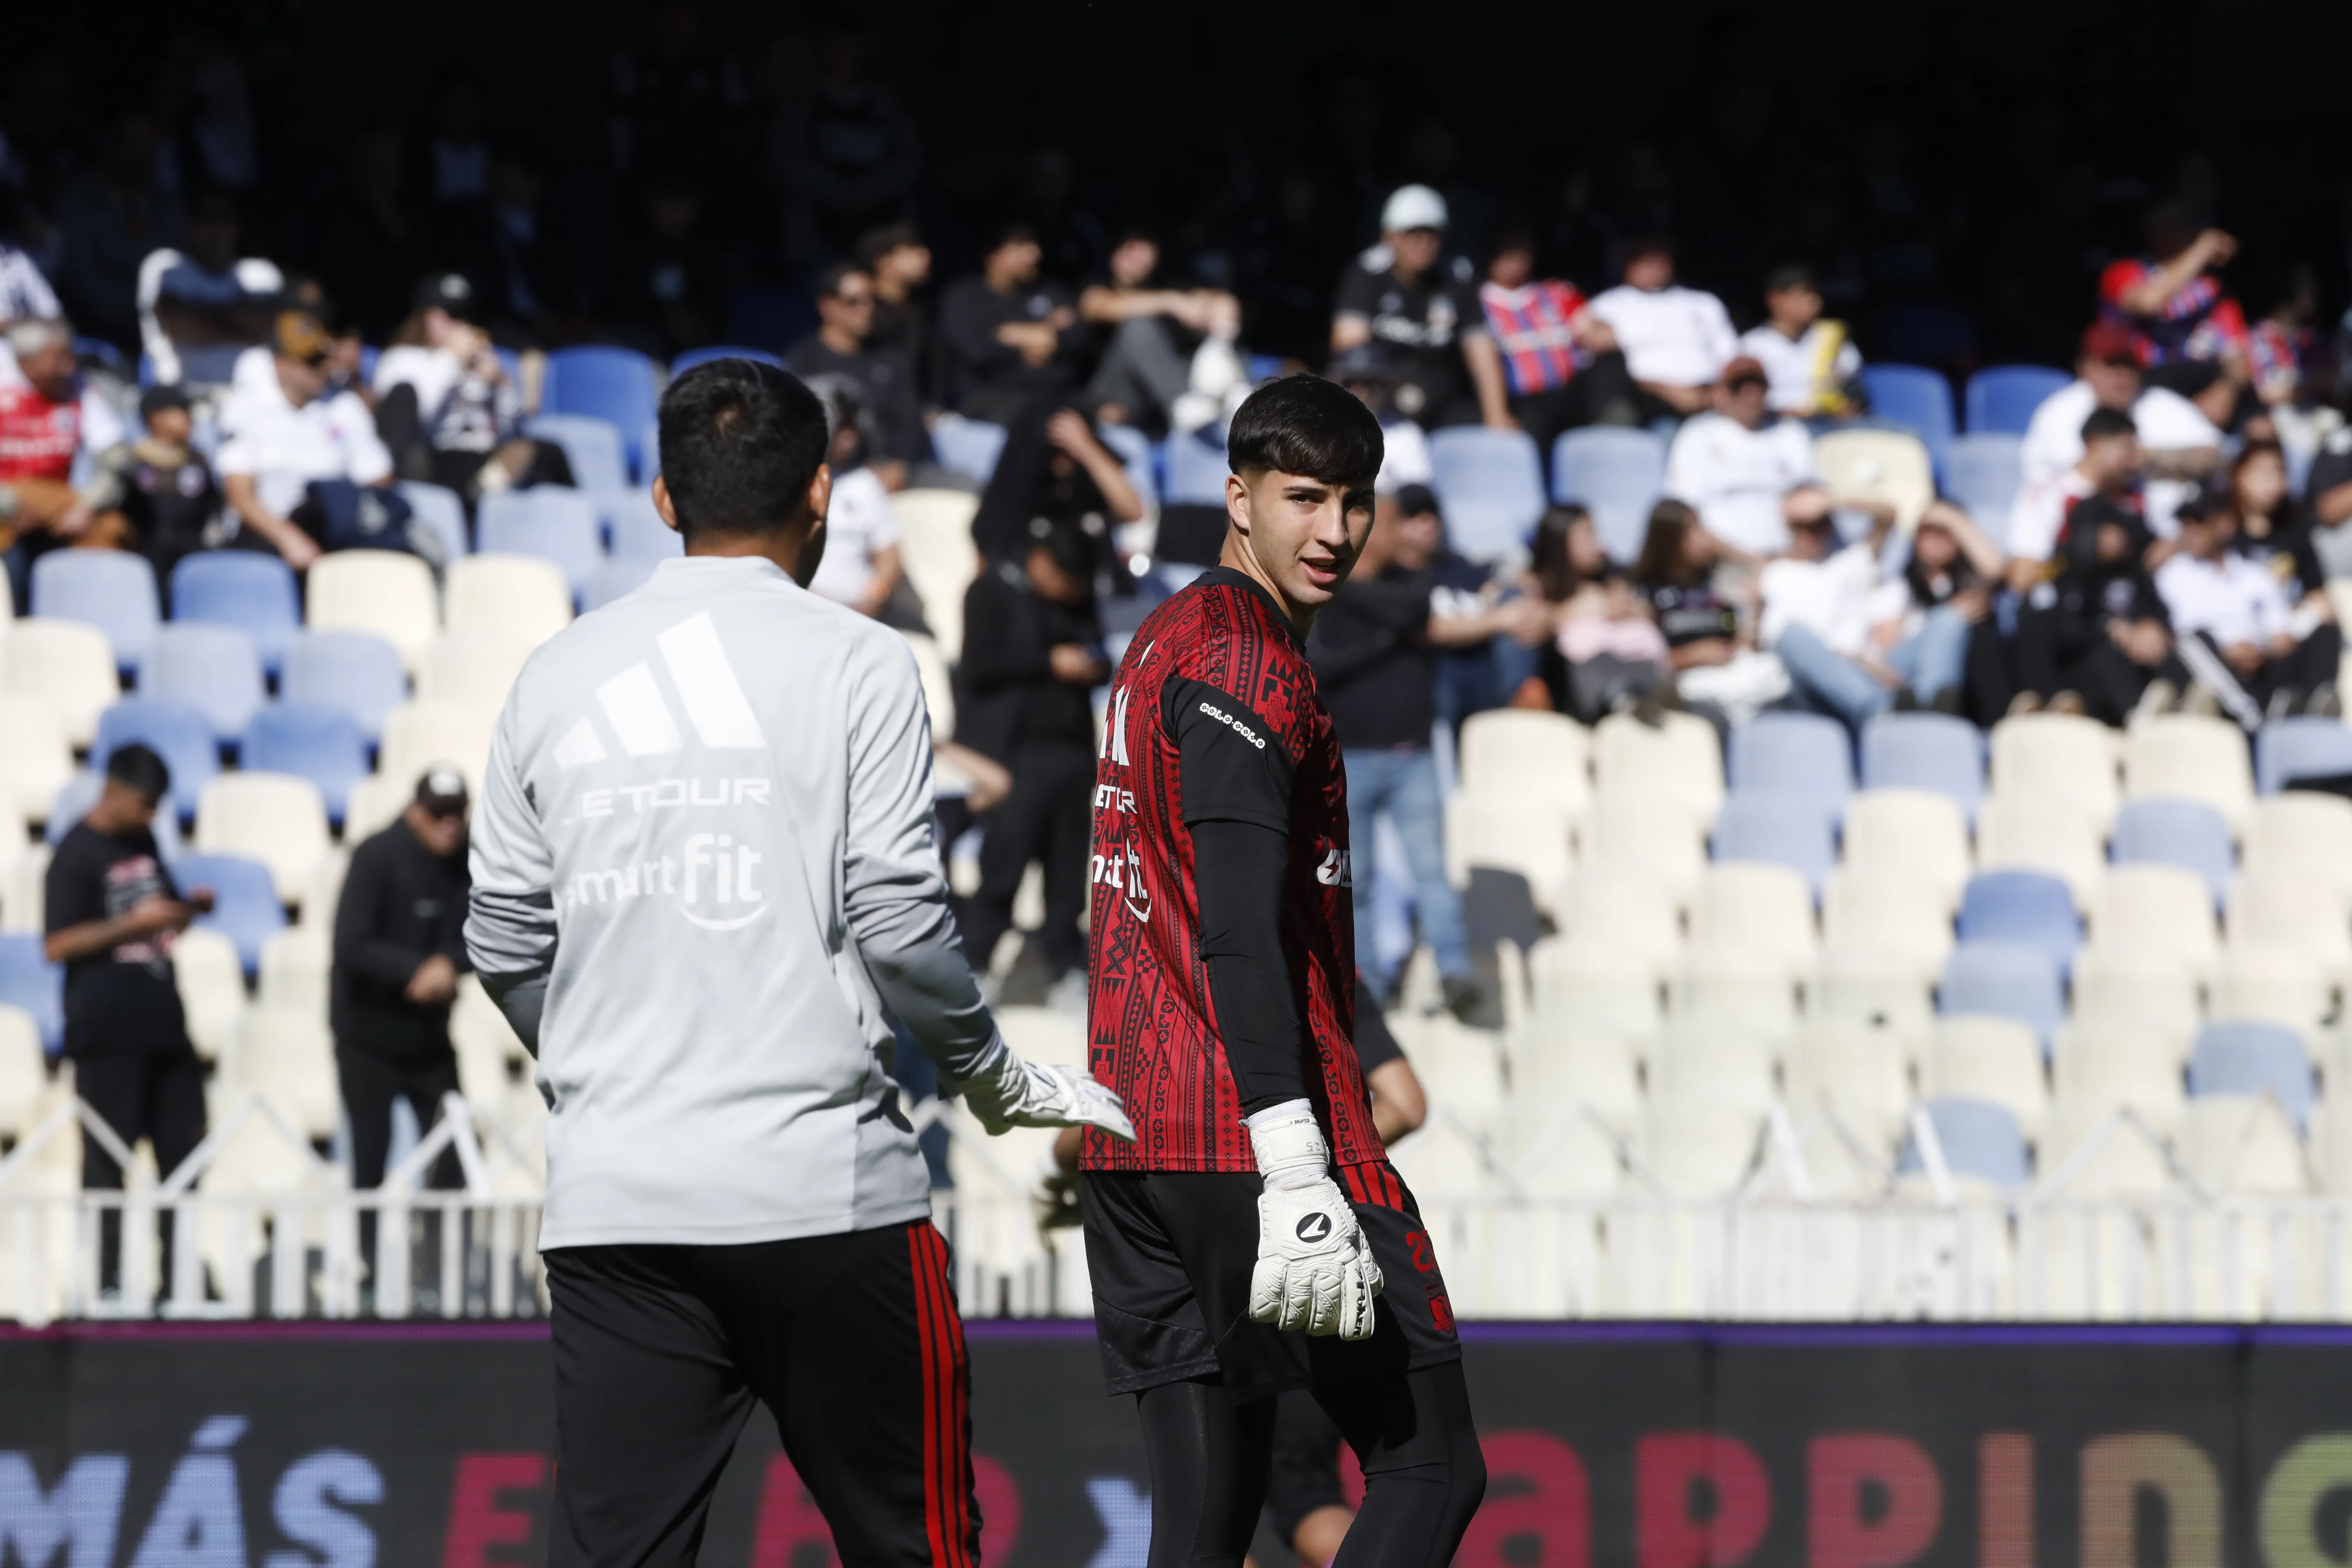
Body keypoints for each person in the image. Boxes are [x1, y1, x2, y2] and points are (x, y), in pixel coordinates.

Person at [462, 357, 1132, 1568]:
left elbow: (504, 939)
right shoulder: (861, 662)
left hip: (620, 1201)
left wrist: (596, 1065)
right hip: (826, 1198)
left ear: (664, 499)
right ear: (822, 491)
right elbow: (896, 917)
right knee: (919, 1548)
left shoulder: (554, 675)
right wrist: (984, 1071)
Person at [1080, 374, 1485, 1568]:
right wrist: (1295, 1153)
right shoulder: (1252, 665)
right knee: (1433, 1459)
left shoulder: (1161, 637)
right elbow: (1243, 932)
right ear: (1236, 495)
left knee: (1205, 1523)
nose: (1334, 532)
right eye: (1302, 497)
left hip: (1136, 1143)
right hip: (1252, 1142)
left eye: (1353, 502)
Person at [1310, 485, 1539, 1015]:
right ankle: (1365, 981)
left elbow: (1414, 610)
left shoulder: (1410, 583)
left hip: (1412, 755)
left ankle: (1454, 973)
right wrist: (1393, 634)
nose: (1404, 535)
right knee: (1355, 880)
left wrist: (1386, 622)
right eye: (1392, 524)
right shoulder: (1325, 588)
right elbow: (1324, 662)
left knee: (1433, 872)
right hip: (1349, 760)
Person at [44, 744, 214, 1299]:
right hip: (105, 1035)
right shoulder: (74, 853)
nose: (152, 817)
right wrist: (130, 927)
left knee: (184, 1159)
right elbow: (58, 943)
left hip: (165, 1027)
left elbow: (158, 925)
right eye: (145, 805)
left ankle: (179, 1281)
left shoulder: (144, 841)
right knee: (107, 1166)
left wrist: (183, 912)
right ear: (113, 790)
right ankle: (108, 1286)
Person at [332, 767, 474, 1277]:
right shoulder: (375, 856)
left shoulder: (471, 860)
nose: (449, 826)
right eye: (438, 814)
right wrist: (416, 971)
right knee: (369, 1157)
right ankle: (368, 1268)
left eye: (457, 813)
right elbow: (350, 945)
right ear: (415, 811)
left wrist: (449, 965)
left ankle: (442, 1272)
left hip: (430, 1039)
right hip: (367, 1037)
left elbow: (491, 930)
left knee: (452, 1155)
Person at [955, 517, 1106, 988]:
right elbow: (978, 666)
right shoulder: (989, 592)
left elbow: (1101, 653)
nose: (1072, 590)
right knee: (1004, 866)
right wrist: (1047, 662)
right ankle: (976, 970)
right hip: (1014, 757)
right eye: (1066, 579)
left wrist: (1091, 666)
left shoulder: (1078, 601)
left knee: (1068, 874)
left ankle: (1066, 972)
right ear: (1042, 563)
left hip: (1073, 752)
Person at [1760, 487, 1968, 728]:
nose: (1812, 534)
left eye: (1820, 523)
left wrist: (1832, 501)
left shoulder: (1851, 560)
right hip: (1819, 685)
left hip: (1874, 671)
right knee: (1793, 634)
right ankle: (1886, 717)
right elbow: (1785, 648)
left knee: (1948, 620)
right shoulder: (1770, 573)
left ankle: (1935, 715)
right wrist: (1859, 663)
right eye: (1802, 526)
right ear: (1788, 525)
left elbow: (1888, 515)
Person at [214, 308, 397, 570]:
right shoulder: (246, 409)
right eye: (311, 361)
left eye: (325, 357)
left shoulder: (346, 406)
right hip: (269, 538)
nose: (323, 368)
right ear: (281, 365)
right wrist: (288, 538)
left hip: (338, 534)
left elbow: (379, 478)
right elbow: (239, 495)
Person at [1330, 184, 1512, 430]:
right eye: (1412, 234)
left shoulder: (1457, 279)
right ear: (1389, 236)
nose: (1423, 243)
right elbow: (1349, 347)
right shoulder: (1367, 274)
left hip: (1445, 403)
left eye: (1431, 235)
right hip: (1383, 404)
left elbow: (1481, 349)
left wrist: (1497, 415)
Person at [373, 273, 567, 504]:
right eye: (451, 316)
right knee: (508, 459)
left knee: (549, 453)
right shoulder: (402, 359)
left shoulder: (482, 359)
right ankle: (481, 492)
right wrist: (451, 359)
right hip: (438, 454)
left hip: (487, 453)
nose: (461, 324)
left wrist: (501, 384)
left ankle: (487, 490)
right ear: (426, 317)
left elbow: (510, 428)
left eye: (465, 316)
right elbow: (414, 423)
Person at [2156, 488, 2341, 725]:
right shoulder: (2171, 574)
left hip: (2259, 664)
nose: (2190, 532)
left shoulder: (2255, 575)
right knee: (2196, 643)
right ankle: (2253, 716)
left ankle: (2314, 709)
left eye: (2199, 522)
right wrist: (2231, 652)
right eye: (2185, 524)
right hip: (2209, 665)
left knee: (2325, 630)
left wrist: (2261, 650)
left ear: (2224, 524)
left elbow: (2280, 634)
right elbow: (2181, 637)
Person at [2019, 322, 2221, 538]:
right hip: (2078, 538)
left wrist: (2149, 458)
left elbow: (2217, 458)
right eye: (2110, 366)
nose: (2119, 377)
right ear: (2085, 368)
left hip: (2170, 538)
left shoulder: (2164, 406)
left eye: (2127, 365)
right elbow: (2038, 489)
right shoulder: (2057, 414)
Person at [2010, 491, 2175, 723]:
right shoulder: (2060, 574)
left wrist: (2152, 625)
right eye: (2108, 531)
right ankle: (2139, 719)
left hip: (2137, 667)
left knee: (2176, 649)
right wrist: (2109, 630)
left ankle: (2177, 710)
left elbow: (2155, 610)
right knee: (2106, 656)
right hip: (2075, 679)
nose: (2118, 538)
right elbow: (2057, 631)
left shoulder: (2131, 573)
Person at [0, 316, 131, 601]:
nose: (69, 367)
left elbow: (118, 459)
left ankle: (94, 618)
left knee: (110, 528)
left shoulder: (79, 388)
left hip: (56, 501)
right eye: (58, 358)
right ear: (26, 360)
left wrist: (88, 505)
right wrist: (9, 503)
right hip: (7, 496)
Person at [1475, 223, 1634, 456]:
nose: (1515, 257)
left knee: (1612, 364)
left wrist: (1595, 331)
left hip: (1570, 391)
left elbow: (1600, 334)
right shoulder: (1478, 303)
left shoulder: (1556, 293)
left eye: (1522, 249)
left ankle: (1609, 441)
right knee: (1535, 418)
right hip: (1524, 399)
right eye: (1506, 250)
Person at [1631, 499, 1787, 729]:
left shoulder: (1718, 582)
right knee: (1712, 718)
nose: (1703, 538)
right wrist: (1691, 655)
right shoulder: (1644, 593)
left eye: (1701, 527)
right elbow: (1641, 660)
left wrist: (1754, 610)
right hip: (1682, 688)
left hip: (1734, 680)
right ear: (1669, 539)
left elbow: (1745, 639)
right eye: (1692, 531)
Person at [1080, 225, 1245, 438]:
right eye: (1129, 248)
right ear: (1114, 252)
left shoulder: (1167, 285)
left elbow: (1223, 303)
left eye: (1145, 248)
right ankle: (1182, 405)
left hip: (1156, 399)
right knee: (1138, 326)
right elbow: (1098, 307)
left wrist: (1218, 313)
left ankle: (1238, 401)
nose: (1136, 256)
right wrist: (1171, 303)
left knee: (1216, 343)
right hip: (1111, 396)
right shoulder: (1098, 284)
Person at [2096, 204, 2249, 428]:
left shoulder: (2212, 288)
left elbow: (2239, 356)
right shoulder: (2124, 272)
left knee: (2258, 421)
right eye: (2176, 226)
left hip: (2205, 385)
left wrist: (2225, 391)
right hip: (2144, 381)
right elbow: (2148, 303)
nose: (2184, 233)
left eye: (2189, 226)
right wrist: (2202, 250)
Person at [1663, 356, 1821, 556]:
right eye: (1740, 388)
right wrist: (1746, 561)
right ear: (1722, 394)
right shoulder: (1698, 435)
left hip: (1785, 558)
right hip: (1721, 559)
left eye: (1758, 387)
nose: (1751, 395)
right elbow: (1683, 511)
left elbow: (1814, 501)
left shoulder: (1791, 434)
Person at [786, 261, 926, 484]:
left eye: (872, 300)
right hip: (829, 478)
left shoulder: (893, 359)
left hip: (893, 474)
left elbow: (911, 428)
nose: (867, 309)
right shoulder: (802, 363)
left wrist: (898, 467)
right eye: (854, 302)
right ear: (827, 306)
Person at [1526, 503, 1670, 719]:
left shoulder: (1612, 579)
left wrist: (1623, 608)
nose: (1597, 544)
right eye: (1587, 535)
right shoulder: (1535, 585)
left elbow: (1649, 611)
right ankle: (1619, 699)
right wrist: (1575, 611)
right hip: (1576, 694)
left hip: (1638, 670)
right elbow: (1530, 628)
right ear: (1559, 541)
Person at [80, 385, 223, 595]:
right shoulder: (132, 463)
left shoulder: (198, 462)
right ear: (156, 418)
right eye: (182, 412)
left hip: (193, 557)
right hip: (143, 557)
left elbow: (214, 508)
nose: (190, 418)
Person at [1583, 234, 1739, 423]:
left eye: (1659, 256)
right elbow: (1596, 350)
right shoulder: (1607, 305)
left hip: (1712, 401)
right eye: (1642, 258)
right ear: (1625, 262)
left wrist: (1720, 391)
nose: (1653, 264)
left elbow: (1733, 358)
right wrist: (1668, 391)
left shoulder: (1704, 303)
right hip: (1648, 403)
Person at [938, 220, 1083, 423]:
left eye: (1034, 246)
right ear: (993, 256)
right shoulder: (965, 297)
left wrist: (1014, 334)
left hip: (1057, 395)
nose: (1034, 254)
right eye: (1021, 247)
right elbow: (978, 351)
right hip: (991, 399)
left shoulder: (1050, 291)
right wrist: (1045, 335)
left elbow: (1079, 338)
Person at [134, 190, 284, 387]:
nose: (215, 228)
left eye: (224, 217)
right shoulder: (165, 265)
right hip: (181, 395)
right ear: (188, 223)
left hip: (249, 395)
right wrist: (243, 330)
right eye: (204, 217)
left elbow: (269, 324)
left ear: (237, 225)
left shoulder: (260, 272)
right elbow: (178, 325)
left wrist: (198, 313)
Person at [801, 377, 910, 623]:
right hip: (804, 611)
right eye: (841, 429)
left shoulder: (865, 484)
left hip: (862, 616)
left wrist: (875, 597)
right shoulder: (791, 486)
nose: (850, 439)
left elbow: (890, 555)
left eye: (853, 428)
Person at [1737, 263, 1862, 420]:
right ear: (1775, 299)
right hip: (1773, 426)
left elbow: (1855, 396)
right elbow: (1742, 404)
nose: (1815, 301)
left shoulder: (1833, 339)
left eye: (1816, 293)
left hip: (1828, 424)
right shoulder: (1752, 346)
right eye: (1805, 293)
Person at [858, 222, 935, 402]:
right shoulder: (865, 315)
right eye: (911, 249)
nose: (926, 256)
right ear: (884, 262)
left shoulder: (919, 310)